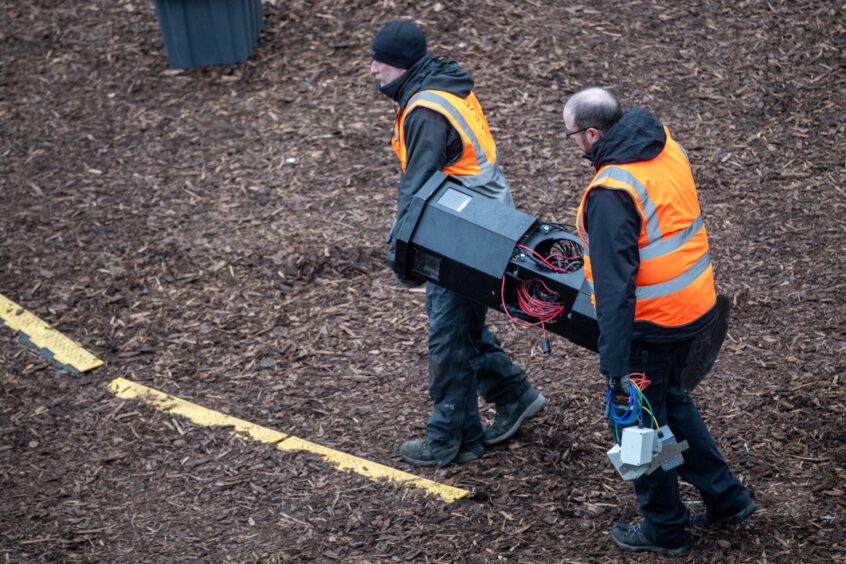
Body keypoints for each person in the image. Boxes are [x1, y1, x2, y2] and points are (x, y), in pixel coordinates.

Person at [562, 87, 757, 556]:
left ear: (591, 134)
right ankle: (726, 498)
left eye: (571, 135)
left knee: (635, 428)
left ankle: (664, 527)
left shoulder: (613, 191)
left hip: (652, 324)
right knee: (670, 405)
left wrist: (614, 364)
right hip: (695, 308)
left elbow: (615, 287)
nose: (571, 144)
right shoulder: (664, 144)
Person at [369, 20, 547, 467]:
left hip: (463, 233)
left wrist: (401, 251)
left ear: (403, 65)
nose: (372, 69)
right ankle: (510, 395)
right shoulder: (442, 86)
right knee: (461, 323)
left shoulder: (425, 110)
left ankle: (448, 437)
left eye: (381, 62)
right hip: (478, 222)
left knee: (448, 332)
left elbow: (418, 185)